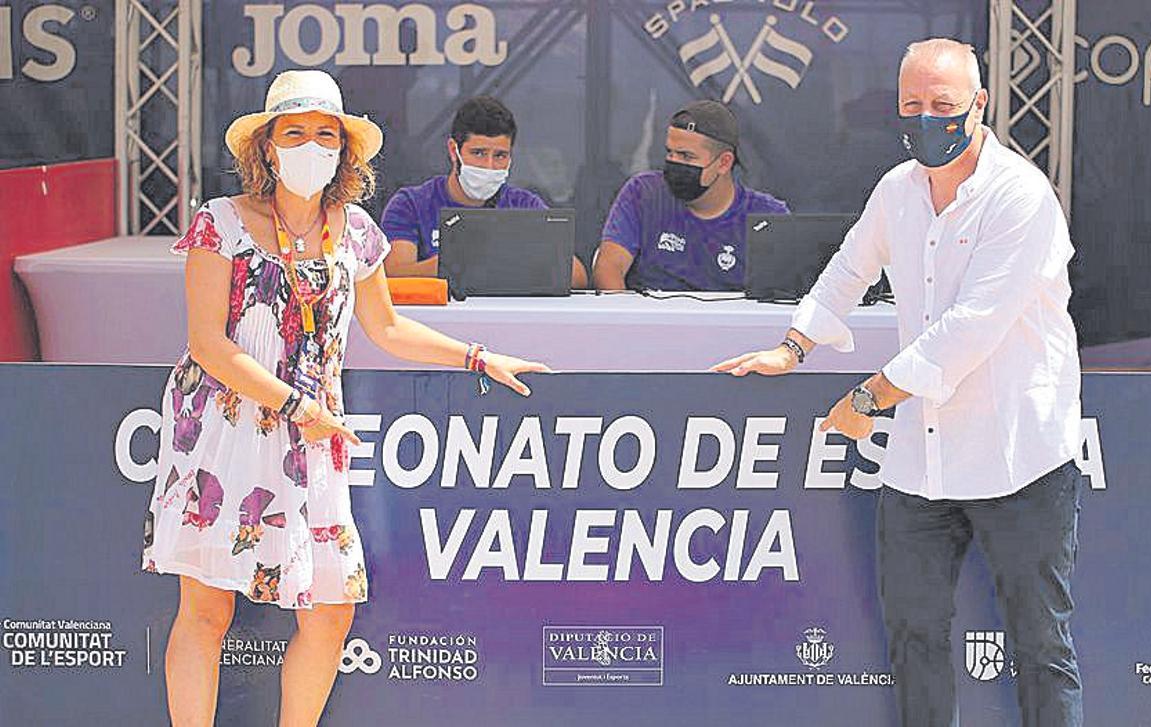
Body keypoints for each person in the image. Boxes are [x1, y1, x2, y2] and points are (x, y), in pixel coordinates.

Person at [141, 70, 548, 727]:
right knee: (207, 607)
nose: (310, 145)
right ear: (266, 148)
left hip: (312, 439)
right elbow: (208, 343)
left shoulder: (355, 231)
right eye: (294, 132)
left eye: (325, 134)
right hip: (228, 426)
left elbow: (386, 328)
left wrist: (478, 355)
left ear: (344, 150)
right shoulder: (220, 222)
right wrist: (297, 406)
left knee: (331, 610)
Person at [714, 39, 1083, 726]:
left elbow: (969, 331)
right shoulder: (897, 189)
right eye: (912, 106)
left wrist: (866, 399)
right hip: (922, 461)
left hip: (1019, 457)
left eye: (943, 106)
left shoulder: (1020, 196)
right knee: (914, 639)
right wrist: (792, 348)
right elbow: (848, 270)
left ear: (980, 104)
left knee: (1039, 648)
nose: (926, 119)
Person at [380, 95, 588, 287]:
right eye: (478, 153)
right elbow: (394, 276)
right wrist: (456, 262)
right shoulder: (410, 204)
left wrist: (508, 259)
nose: (489, 165)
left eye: (500, 155)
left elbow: (577, 277)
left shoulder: (526, 206)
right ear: (454, 151)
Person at [592, 99, 788, 291]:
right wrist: (626, 318)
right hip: (650, 320)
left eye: (686, 156)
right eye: (670, 153)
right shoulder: (643, 193)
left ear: (724, 163)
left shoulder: (769, 217)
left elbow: (785, 295)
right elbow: (609, 267)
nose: (674, 162)